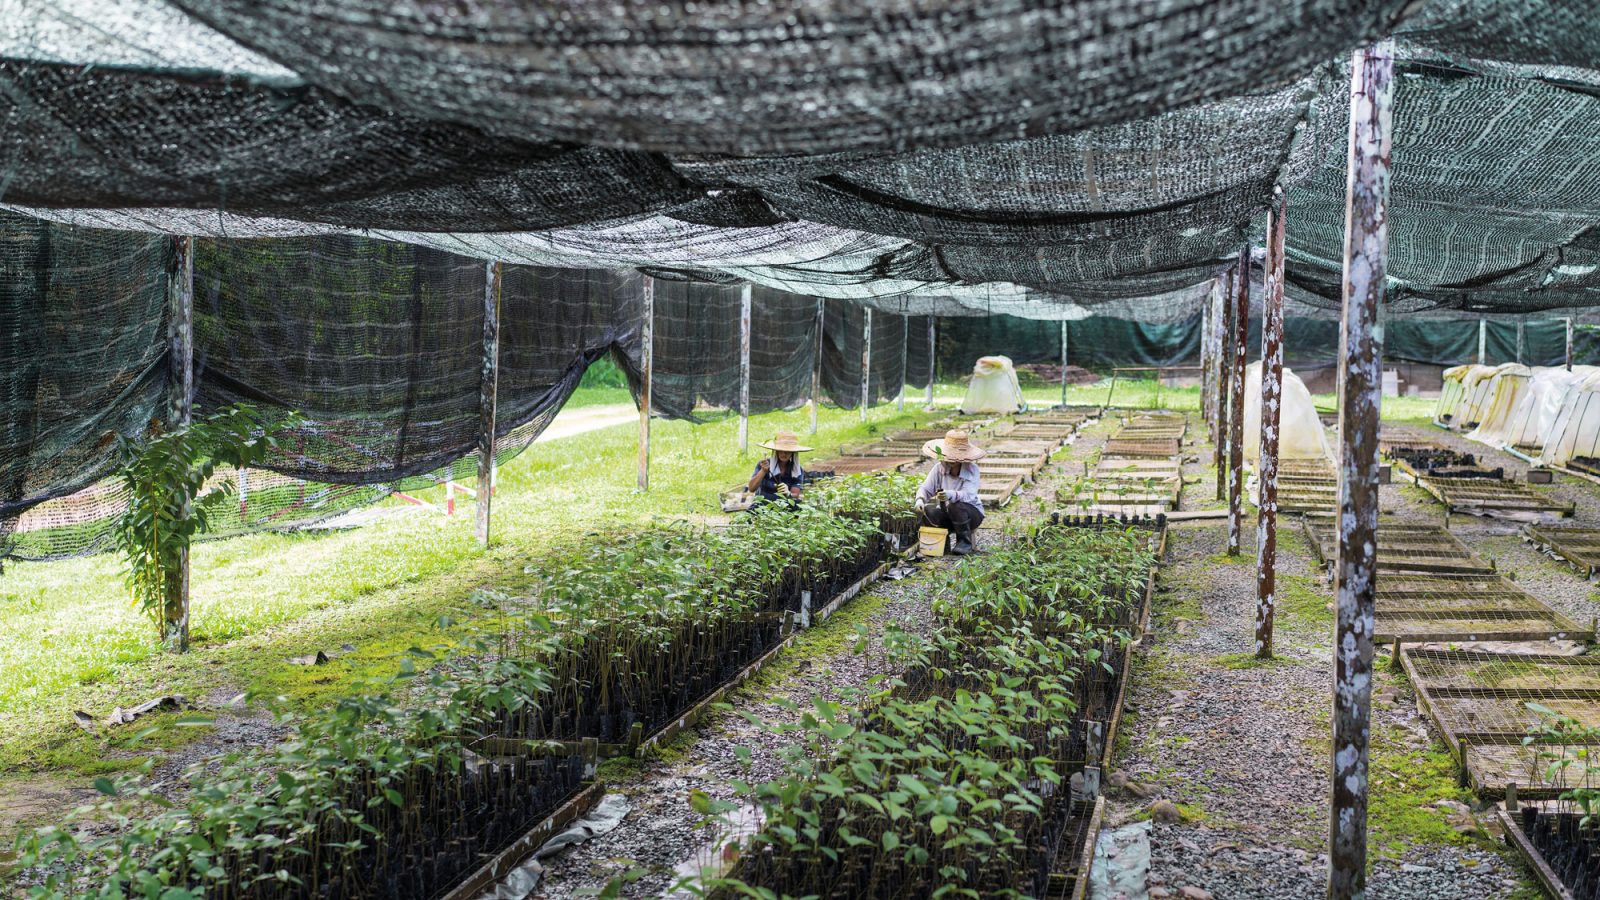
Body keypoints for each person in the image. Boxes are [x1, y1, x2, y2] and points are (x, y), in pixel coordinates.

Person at [915, 429, 986, 555]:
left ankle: (964, 543)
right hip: (947, 514)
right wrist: (920, 499)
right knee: (929, 510)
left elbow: (969, 495)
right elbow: (926, 488)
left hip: (971, 514)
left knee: (956, 505)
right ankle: (942, 544)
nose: (951, 459)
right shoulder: (939, 469)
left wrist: (950, 494)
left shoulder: (972, 470)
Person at [747, 430, 812, 507]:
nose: (784, 454)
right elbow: (751, 488)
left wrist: (788, 493)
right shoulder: (764, 465)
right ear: (776, 451)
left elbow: (795, 493)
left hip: (784, 507)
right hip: (762, 506)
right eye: (781, 451)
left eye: (787, 451)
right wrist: (763, 471)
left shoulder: (797, 470)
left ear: (793, 453)